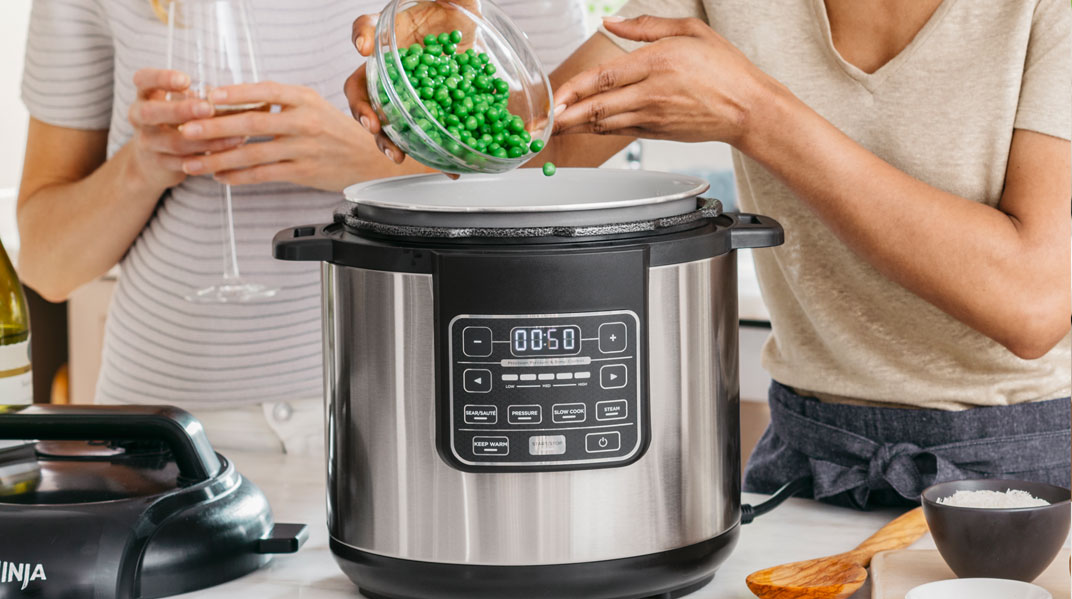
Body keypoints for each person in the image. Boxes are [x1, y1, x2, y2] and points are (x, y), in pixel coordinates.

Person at [349, 0, 1072, 508]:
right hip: (805, 463)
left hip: (1025, 475)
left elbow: (1033, 300)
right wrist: (424, 87)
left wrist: (756, 113)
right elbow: (537, 150)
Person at [16, 0, 590, 454]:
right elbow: (47, 265)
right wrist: (144, 165)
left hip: (403, 418)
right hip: (161, 427)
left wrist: (360, 162)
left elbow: (558, 167)